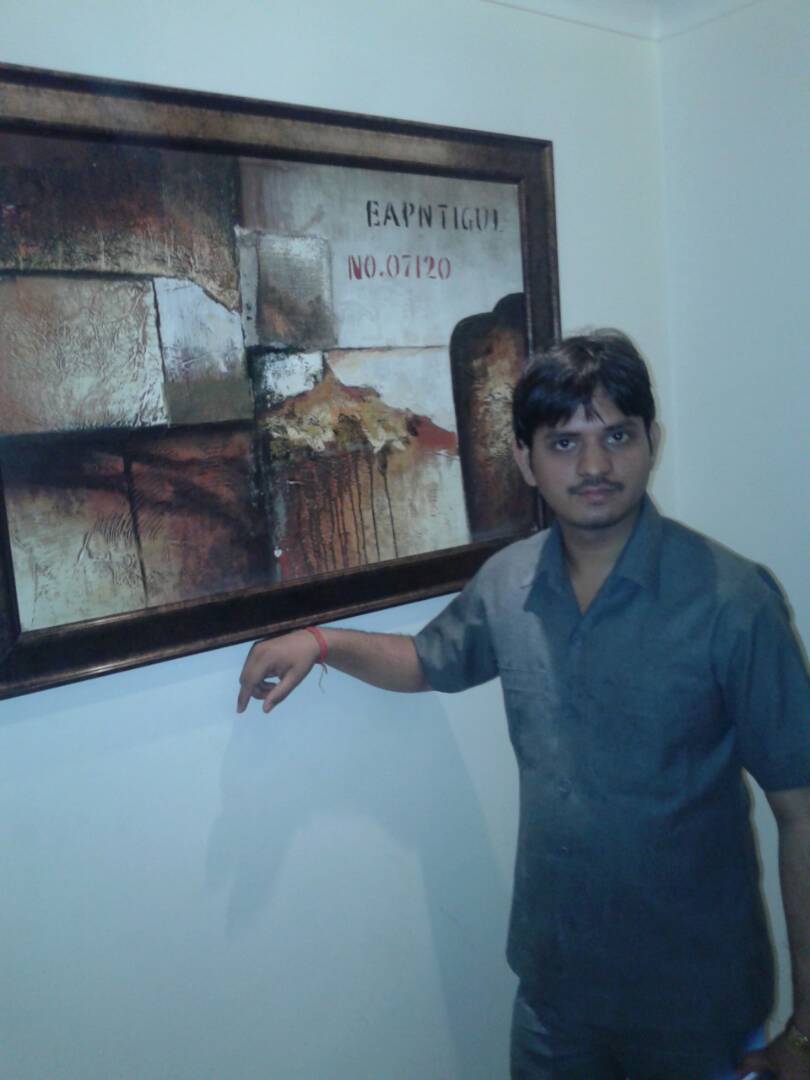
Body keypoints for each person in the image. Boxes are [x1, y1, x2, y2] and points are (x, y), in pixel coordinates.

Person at [237, 329, 810, 1080]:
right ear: (525, 461)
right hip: (553, 1000)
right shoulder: (507, 583)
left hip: (696, 1007)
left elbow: (802, 811)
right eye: (565, 443)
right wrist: (321, 642)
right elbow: (428, 660)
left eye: (617, 435)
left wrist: (806, 1032)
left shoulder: (733, 601)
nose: (595, 466)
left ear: (652, 441)